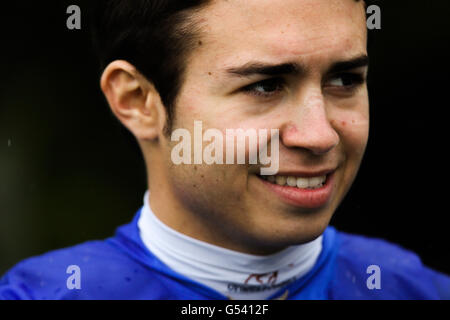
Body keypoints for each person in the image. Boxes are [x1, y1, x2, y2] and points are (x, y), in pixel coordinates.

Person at [1, 0, 449, 300]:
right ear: (137, 101)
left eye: (345, 80)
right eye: (264, 85)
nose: (320, 135)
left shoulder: (415, 288)